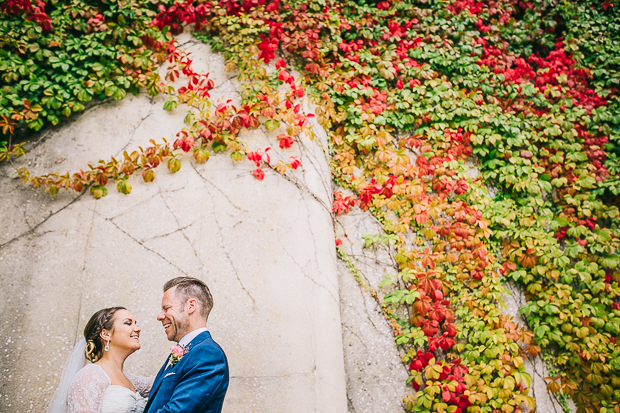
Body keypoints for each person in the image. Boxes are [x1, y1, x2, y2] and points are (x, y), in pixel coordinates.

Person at [144, 277, 229, 413]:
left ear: (191, 306)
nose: (159, 316)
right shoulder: (190, 350)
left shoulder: (208, 354)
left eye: (166, 308)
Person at [47, 307, 154, 413]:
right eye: (128, 323)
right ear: (106, 334)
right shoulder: (91, 374)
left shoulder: (131, 380)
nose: (138, 329)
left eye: (136, 323)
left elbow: (164, 379)